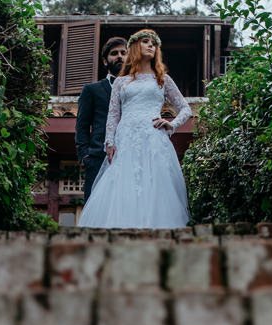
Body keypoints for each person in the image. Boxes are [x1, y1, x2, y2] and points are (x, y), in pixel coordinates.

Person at [78, 29, 192, 229]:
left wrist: (172, 124)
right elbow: (113, 115)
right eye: (146, 41)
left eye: (154, 43)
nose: (151, 45)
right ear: (135, 46)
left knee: (154, 185)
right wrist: (109, 142)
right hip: (126, 140)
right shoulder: (121, 82)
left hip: (153, 139)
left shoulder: (163, 79)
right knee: (124, 186)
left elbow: (186, 108)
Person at [75, 37, 128, 202]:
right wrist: (85, 156)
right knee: (96, 207)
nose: (119, 56)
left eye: (123, 53)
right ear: (105, 61)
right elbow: (82, 125)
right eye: (114, 53)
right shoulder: (91, 90)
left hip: (130, 156)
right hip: (98, 158)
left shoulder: (136, 89)